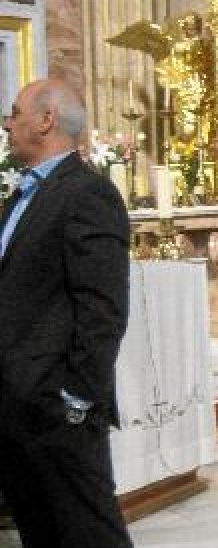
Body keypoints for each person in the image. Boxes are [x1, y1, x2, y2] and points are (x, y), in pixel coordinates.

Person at [0, 79, 133, 548]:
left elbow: (104, 307)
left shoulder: (86, 194)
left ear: (46, 119)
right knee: (42, 534)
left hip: (57, 410)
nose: (7, 123)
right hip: (15, 405)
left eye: (15, 112)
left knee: (90, 535)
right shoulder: (21, 196)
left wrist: (76, 399)